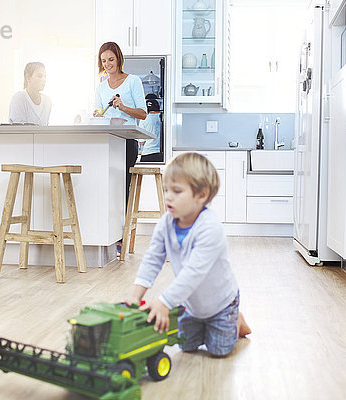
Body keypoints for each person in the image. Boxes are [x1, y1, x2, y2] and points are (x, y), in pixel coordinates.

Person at [125, 152, 251, 357]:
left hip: (221, 303)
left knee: (218, 350)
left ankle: (235, 319)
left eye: (176, 191)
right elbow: (152, 259)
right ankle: (204, 325)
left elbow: (193, 273)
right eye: (166, 190)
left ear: (201, 195)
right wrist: (135, 297)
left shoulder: (210, 228)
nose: (168, 196)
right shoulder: (165, 223)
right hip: (191, 303)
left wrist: (164, 301)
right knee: (186, 346)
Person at [93, 42, 147, 256]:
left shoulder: (132, 81)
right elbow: (98, 110)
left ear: (119, 59)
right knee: (107, 187)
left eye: (111, 60)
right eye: (104, 61)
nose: (107, 64)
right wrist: (97, 115)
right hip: (107, 141)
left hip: (126, 141)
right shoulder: (101, 86)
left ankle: (121, 238)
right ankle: (106, 234)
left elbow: (143, 114)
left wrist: (122, 106)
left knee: (122, 188)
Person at [139, 97, 162, 162]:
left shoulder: (143, 119)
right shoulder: (163, 117)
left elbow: (142, 142)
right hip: (161, 154)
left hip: (147, 154)